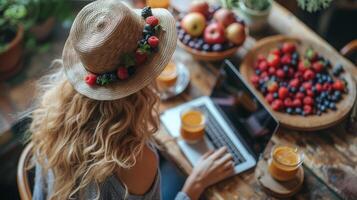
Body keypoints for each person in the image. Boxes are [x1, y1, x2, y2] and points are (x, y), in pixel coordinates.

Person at [30, 1, 234, 199]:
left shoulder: (53, 111)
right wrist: (195, 185)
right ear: (142, 87)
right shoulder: (133, 161)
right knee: (178, 175)